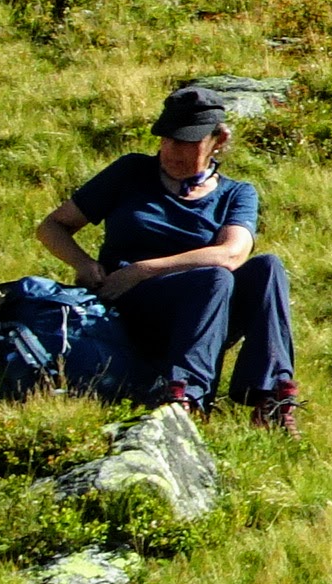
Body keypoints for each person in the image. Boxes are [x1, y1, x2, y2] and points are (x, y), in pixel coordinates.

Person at [35, 84, 300, 429]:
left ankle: (271, 398)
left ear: (218, 140)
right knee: (214, 277)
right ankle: (185, 396)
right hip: (129, 304)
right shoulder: (131, 172)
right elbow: (52, 226)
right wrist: (83, 264)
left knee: (266, 267)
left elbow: (232, 254)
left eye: (188, 142)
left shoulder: (236, 194)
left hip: (202, 308)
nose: (172, 151)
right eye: (167, 139)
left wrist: (143, 269)